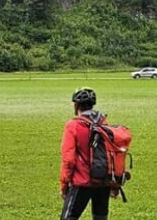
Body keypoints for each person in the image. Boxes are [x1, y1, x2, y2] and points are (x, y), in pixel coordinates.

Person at [60, 87, 113, 220]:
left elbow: (69, 159)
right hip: (103, 181)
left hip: (82, 182)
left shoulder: (73, 125)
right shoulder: (104, 124)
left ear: (76, 105)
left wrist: (64, 184)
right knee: (100, 217)